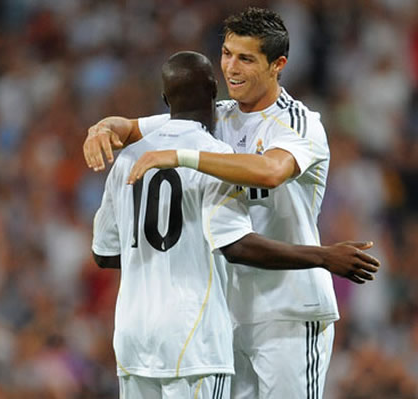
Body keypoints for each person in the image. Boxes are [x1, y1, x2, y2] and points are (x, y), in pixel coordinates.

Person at [86, 8, 377, 399]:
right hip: (224, 315)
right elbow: (130, 128)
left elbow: (271, 171)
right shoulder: (216, 116)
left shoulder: (298, 122)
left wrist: (181, 157)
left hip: (287, 310)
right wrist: (100, 128)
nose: (230, 68)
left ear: (278, 65)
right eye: (226, 53)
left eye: (246, 58)